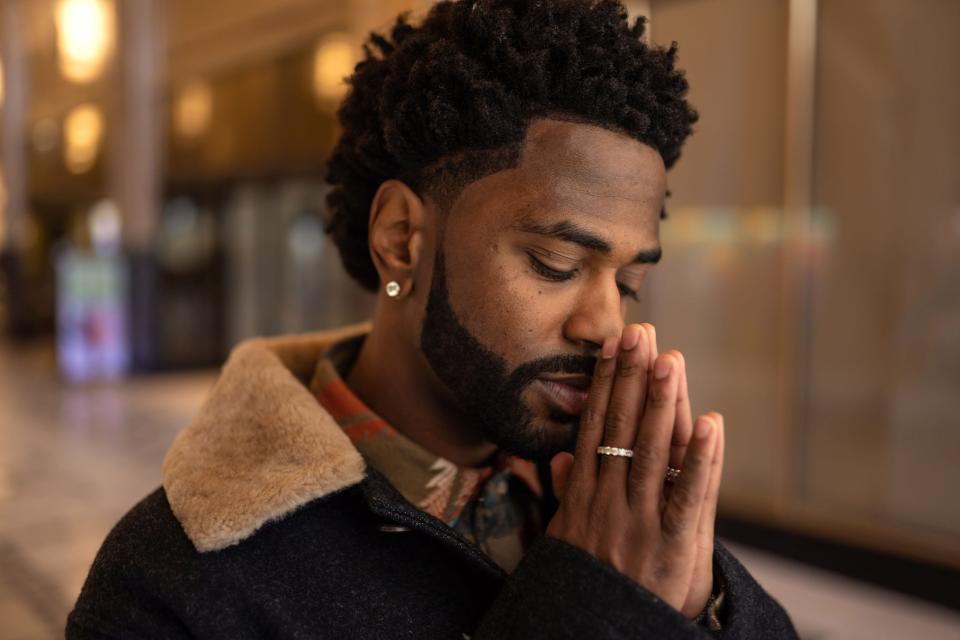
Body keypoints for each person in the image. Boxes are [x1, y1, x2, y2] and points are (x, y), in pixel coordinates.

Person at [67, 1, 799, 638]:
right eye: (554, 264)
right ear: (402, 240)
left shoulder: (608, 497)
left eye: (631, 281)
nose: (607, 326)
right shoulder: (173, 580)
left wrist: (703, 603)